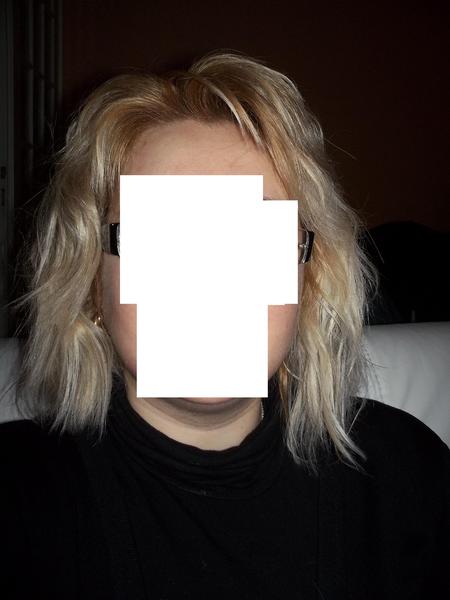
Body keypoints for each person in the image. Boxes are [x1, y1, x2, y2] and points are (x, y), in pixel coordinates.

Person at [1, 50, 448, 599]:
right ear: (94, 282)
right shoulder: (18, 495)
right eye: (165, 237)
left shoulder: (407, 471)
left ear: (306, 283)